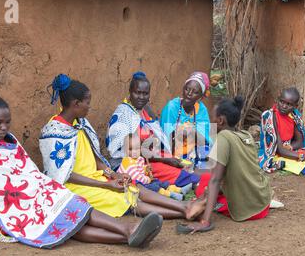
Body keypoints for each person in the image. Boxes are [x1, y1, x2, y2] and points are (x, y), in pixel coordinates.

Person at [0, 87, 164, 249]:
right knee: (65, 224)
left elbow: (28, 170)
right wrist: (29, 192)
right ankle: (128, 232)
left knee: (74, 204)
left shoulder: (9, 140)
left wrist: (39, 187)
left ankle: (129, 231)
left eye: (7, 122)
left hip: (37, 190)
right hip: (16, 204)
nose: (4, 128)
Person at [40, 74, 206, 220]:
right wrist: (106, 184)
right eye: (87, 103)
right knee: (126, 198)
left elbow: (96, 158)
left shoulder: (80, 123)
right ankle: (184, 211)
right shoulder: (54, 132)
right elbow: (63, 174)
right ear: (76, 104)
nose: (89, 107)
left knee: (135, 187)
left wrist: (113, 175)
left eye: (145, 93)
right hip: (76, 185)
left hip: (99, 176)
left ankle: (184, 206)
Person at [178, 96, 273, 234]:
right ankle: (202, 201)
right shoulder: (246, 135)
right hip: (263, 201)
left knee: (204, 186)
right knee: (207, 180)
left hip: (249, 210)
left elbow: (215, 180)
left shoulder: (223, 138)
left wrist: (205, 221)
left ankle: (200, 205)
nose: (211, 122)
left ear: (220, 120)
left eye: (212, 118)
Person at [106, 71, 200, 189]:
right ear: (130, 92)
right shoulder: (123, 114)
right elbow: (130, 151)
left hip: (148, 157)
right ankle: (193, 183)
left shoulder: (144, 111)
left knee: (178, 164)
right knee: (172, 171)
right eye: (137, 93)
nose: (141, 97)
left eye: (145, 94)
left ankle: (187, 181)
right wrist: (165, 159)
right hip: (130, 162)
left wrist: (165, 157)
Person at [160, 71, 212, 170]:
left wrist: (189, 132)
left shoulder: (201, 110)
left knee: (206, 151)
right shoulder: (172, 107)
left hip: (193, 152)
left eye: (195, 92)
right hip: (173, 153)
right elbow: (166, 138)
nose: (189, 93)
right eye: (187, 89)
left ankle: (200, 177)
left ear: (200, 97)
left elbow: (205, 139)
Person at [117, 133, 188, 201]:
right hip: (132, 185)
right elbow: (136, 176)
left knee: (157, 181)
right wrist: (148, 179)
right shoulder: (127, 161)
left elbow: (140, 170)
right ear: (125, 150)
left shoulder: (138, 158)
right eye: (131, 149)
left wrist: (146, 169)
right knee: (153, 186)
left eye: (137, 149)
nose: (135, 152)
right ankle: (170, 194)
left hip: (141, 181)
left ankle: (178, 190)